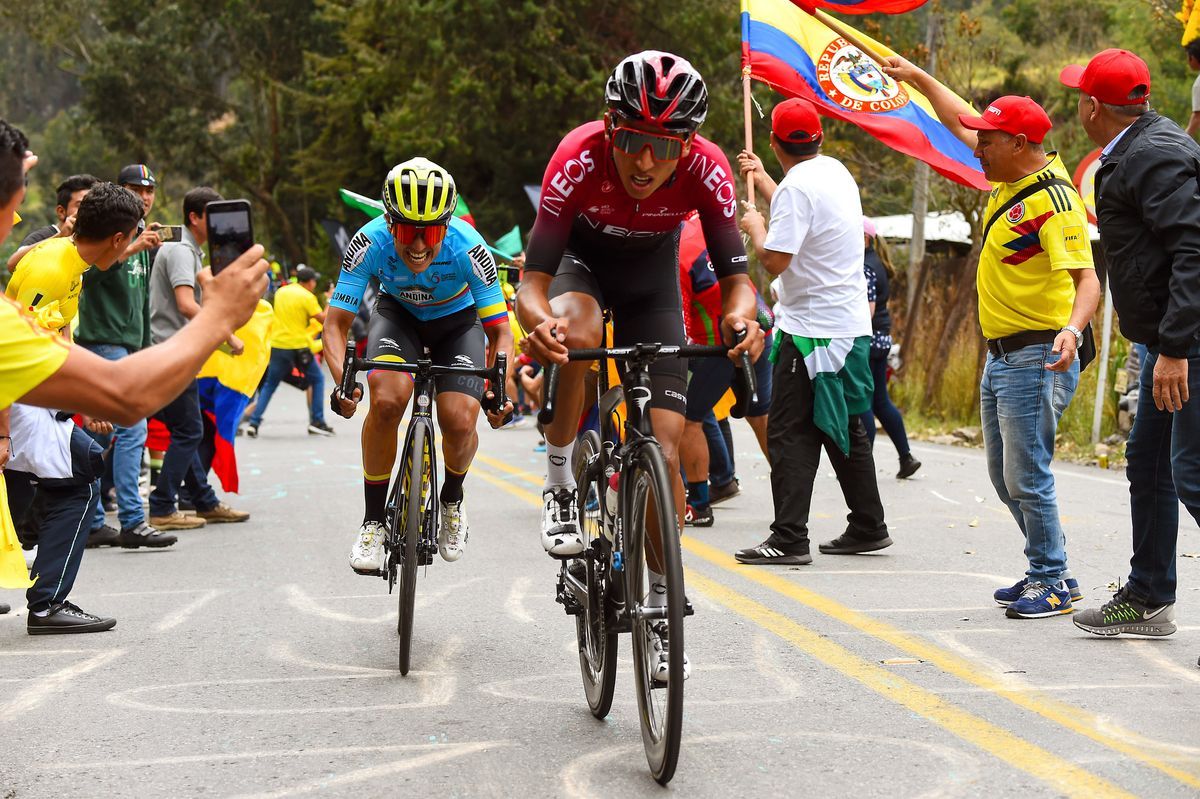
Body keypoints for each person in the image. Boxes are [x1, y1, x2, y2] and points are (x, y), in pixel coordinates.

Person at [516, 51, 764, 683]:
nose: (645, 160)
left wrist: (742, 320)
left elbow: (738, 283)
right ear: (608, 126)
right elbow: (532, 285)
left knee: (667, 442)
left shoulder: (709, 171)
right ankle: (560, 478)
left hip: (651, 282)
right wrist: (538, 323)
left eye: (664, 144)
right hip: (582, 268)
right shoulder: (576, 159)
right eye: (630, 140)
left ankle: (658, 600)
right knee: (582, 330)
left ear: (689, 141)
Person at [0, 120, 268, 631]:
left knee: (51, 477)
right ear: (120, 237)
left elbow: (54, 343)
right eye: (14, 205)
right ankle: (48, 601)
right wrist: (219, 318)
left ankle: (35, 567)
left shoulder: (68, 263)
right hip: (24, 409)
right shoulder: (50, 267)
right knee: (76, 478)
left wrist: (83, 400)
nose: (17, 222)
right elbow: (122, 393)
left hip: (38, 403)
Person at [883, 58, 1100, 619]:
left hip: (1038, 354)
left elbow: (1088, 280)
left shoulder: (1053, 201)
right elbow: (959, 120)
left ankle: (1049, 579)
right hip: (1001, 355)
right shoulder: (1008, 177)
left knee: (1027, 475)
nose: (975, 146)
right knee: (1006, 480)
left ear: (1021, 143)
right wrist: (915, 76)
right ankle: (1050, 569)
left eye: (988, 140)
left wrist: (1073, 332)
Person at [1059, 50, 1200, 637]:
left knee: (1192, 472)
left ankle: (1148, 592)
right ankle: (1147, 596)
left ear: (1093, 105)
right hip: (1167, 340)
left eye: (1078, 96)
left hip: (1187, 343)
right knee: (1149, 461)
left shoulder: (1154, 156)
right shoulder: (1139, 150)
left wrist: (1175, 349)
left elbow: (1195, 248)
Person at [324, 157, 514, 572]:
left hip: (458, 323)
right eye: (408, 231)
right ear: (389, 222)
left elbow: (501, 333)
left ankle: (452, 498)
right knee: (388, 401)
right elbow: (335, 326)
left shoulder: (470, 246)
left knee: (460, 420)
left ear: (446, 226)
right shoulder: (367, 241)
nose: (418, 245)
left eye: (429, 232)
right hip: (398, 316)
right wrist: (344, 383)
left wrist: (500, 388)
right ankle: (373, 521)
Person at [735, 97, 891, 567]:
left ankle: (788, 538)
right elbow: (793, 198)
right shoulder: (834, 172)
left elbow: (775, 258)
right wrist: (763, 178)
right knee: (841, 424)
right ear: (820, 139)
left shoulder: (796, 190)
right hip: (846, 328)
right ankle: (869, 524)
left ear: (773, 141)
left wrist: (756, 227)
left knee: (790, 432)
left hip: (810, 334)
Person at [77, 164, 177, 550]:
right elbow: (90, 273)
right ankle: (133, 521)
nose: (145, 196)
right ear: (120, 190)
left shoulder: (144, 238)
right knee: (130, 427)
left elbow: (142, 296)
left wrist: (147, 344)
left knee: (99, 434)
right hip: (102, 339)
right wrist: (132, 244)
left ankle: (95, 519)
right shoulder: (111, 234)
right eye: (136, 189)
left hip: (131, 342)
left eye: (150, 190)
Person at [147, 187, 250, 531]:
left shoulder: (190, 250)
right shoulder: (181, 251)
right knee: (190, 430)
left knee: (186, 428)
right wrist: (227, 334)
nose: (221, 224)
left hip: (174, 350)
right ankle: (162, 506)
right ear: (194, 217)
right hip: (170, 350)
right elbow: (186, 304)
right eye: (213, 216)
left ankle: (203, 501)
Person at [676, 212, 773, 526]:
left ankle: (700, 506)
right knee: (762, 418)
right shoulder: (713, 223)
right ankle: (793, 502)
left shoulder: (676, 249)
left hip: (720, 344)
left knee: (690, 419)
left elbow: (682, 328)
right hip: (759, 329)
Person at [858, 218, 920, 479]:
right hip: (881, 341)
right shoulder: (877, 263)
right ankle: (906, 457)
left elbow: (867, 310)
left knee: (863, 404)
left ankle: (861, 468)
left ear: (865, 238)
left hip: (867, 342)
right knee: (880, 402)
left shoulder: (865, 267)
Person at [246, 265, 333, 437]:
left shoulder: (281, 292)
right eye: (314, 281)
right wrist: (330, 300)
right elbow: (324, 319)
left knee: (270, 385)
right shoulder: (307, 297)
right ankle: (317, 421)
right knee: (317, 380)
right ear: (309, 282)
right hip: (299, 346)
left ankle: (254, 423)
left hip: (278, 344)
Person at [5, 173, 100, 271]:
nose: (89, 210)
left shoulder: (90, 242)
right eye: (80, 205)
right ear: (61, 212)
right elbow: (12, 265)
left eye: (93, 206)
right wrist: (60, 236)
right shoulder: (42, 236)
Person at [1185, 39, 1200, 138]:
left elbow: (1197, 117)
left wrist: (1182, 140)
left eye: (1188, 57)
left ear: (1193, 57)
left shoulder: (1198, 84)